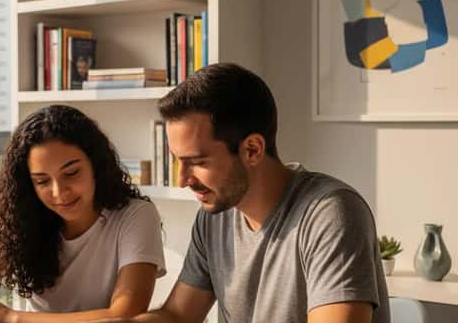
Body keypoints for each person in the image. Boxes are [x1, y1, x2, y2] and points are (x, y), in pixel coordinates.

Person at [99, 63, 389, 323]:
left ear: (252, 150)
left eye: (198, 162)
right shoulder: (214, 217)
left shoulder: (330, 214)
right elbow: (177, 315)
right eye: (177, 160)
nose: (182, 180)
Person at [0, 105, 166, 323]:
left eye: (72, 173)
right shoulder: (20, 218)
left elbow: (125, 315)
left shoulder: (135, 216)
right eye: (42, 181)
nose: (59, 193)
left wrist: (12, 318)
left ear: (96, 165)